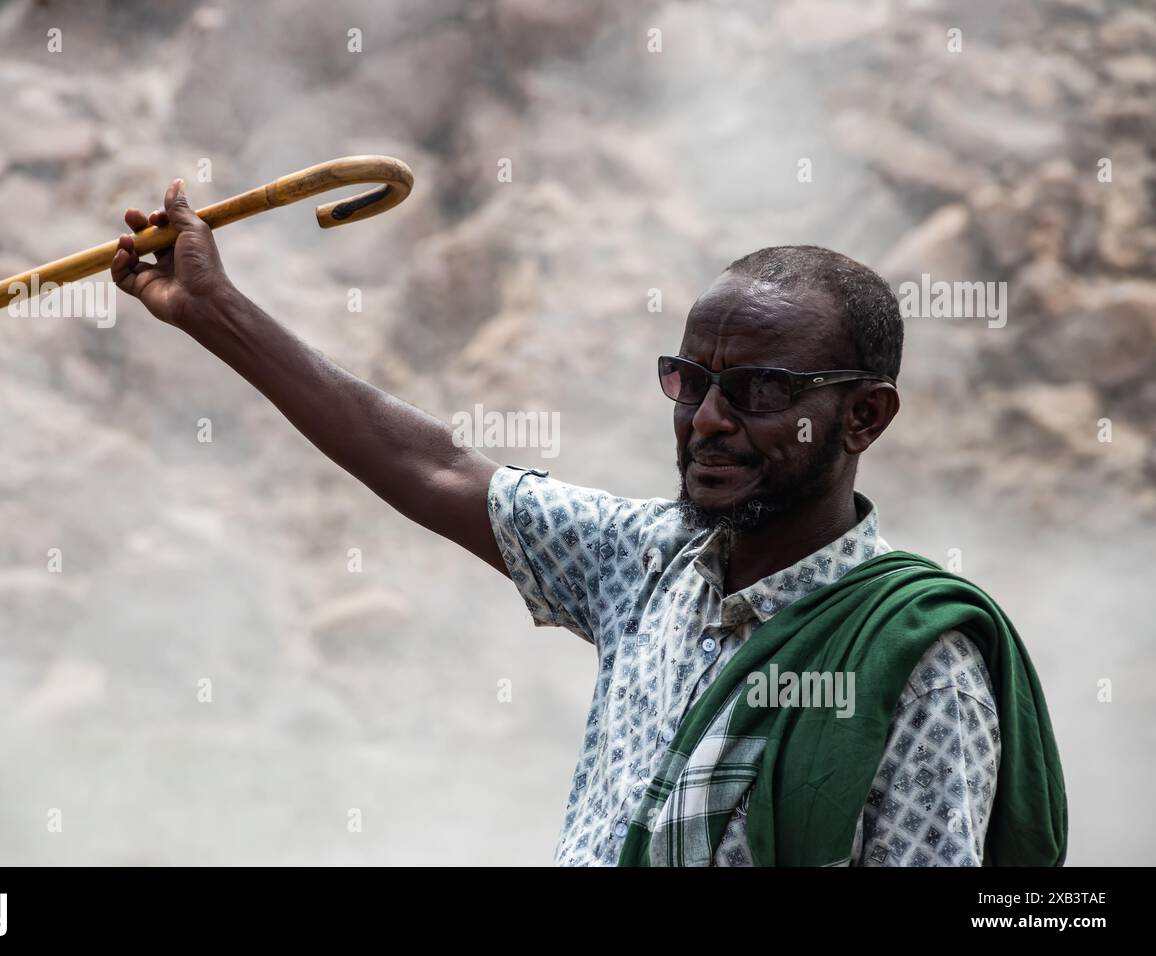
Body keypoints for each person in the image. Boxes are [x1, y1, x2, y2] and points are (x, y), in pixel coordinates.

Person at [111, 179, 1066, 867]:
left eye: (761, 392)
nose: (708, 420)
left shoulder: (919, 656)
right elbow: (429, 464)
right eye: (690, 382)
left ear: (864, 416)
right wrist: (214, 310)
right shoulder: (643, 560)